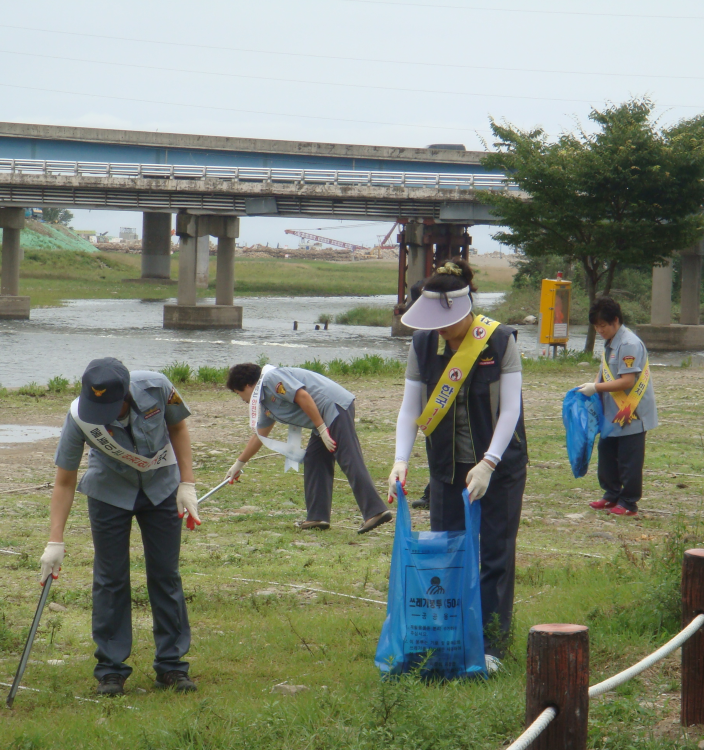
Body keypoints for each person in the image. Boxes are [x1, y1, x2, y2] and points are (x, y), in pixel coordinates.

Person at [388, 260, 527, 672]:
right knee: (446, 552)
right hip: (446, 467)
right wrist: (400, 459)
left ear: (465, 310)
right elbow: (411, 406)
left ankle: (491, 646)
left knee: (496, 554)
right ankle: (445, 638)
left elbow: (510, 410)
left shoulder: (499, 341)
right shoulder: (423, 344)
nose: (441, 332)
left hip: (498, 467)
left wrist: (488, 462)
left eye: (445, 324)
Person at [39, 357, 200, 696]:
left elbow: (178, 429)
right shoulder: (80, 416)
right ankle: (111, 670)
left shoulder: (159, 387)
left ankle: (171, 666)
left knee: (165, 574)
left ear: (126, 394)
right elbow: (65, 480)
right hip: (109, 492)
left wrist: (188, 484)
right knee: (110, 578)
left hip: (161, 489)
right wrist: (55, 540)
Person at [223, 363, 393, 534]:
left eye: (239, 394)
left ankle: (375, 511)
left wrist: (321, 429)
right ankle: (317, 517)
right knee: (315, 459)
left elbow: (302, 396)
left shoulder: (271, 379)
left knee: (348, 457)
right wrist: (239, 463)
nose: (243, 400)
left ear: (246, 385)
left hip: (333, 407)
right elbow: (260, 436)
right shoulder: (265, 401)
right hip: (322, 420)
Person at [576, 297, 658, 517]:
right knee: (607, 453)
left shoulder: (628, 344)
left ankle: (629, 502)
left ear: (615, 321)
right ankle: (611, 495)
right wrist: (593, 387)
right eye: (596, 326)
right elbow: (605, 371)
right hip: (611, 411)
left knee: (629, 458)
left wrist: (596, 387)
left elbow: (628, 381)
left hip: (631, 411)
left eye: (602, 325)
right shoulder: (611, 341)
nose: (599, 330)